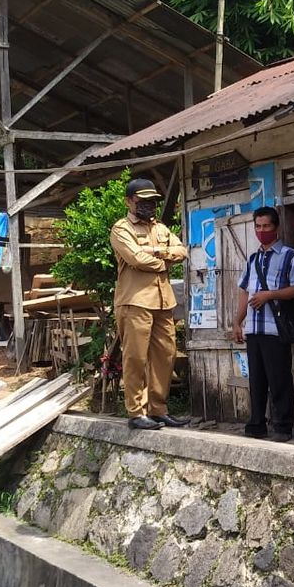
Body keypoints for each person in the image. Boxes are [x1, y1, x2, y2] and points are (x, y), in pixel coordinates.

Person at [110, 177, 190, 430]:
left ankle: (158, 409)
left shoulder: (161, 228)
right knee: (135, 357)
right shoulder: (121, 229)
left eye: (153, 201)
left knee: (165, 357)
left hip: (163, 302)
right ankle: (136, 412)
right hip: (135, 302)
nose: (149, 205)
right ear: (129, 201)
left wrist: (157, 253)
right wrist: (164, 261)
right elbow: (135, 259)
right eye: (142, 200)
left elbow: (182, 251)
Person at [230, 206, 294, 441]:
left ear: (276, 227)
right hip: (253, 328)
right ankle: (256, 424)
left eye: (266, 226)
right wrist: (237, 322)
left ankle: (283, 426)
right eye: (258, 226)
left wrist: (269, 295)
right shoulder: (252, 259)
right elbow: (244, 291)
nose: (261, 231)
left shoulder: (290, 256)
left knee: (279, 378)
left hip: (275, 329)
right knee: (257, 379)